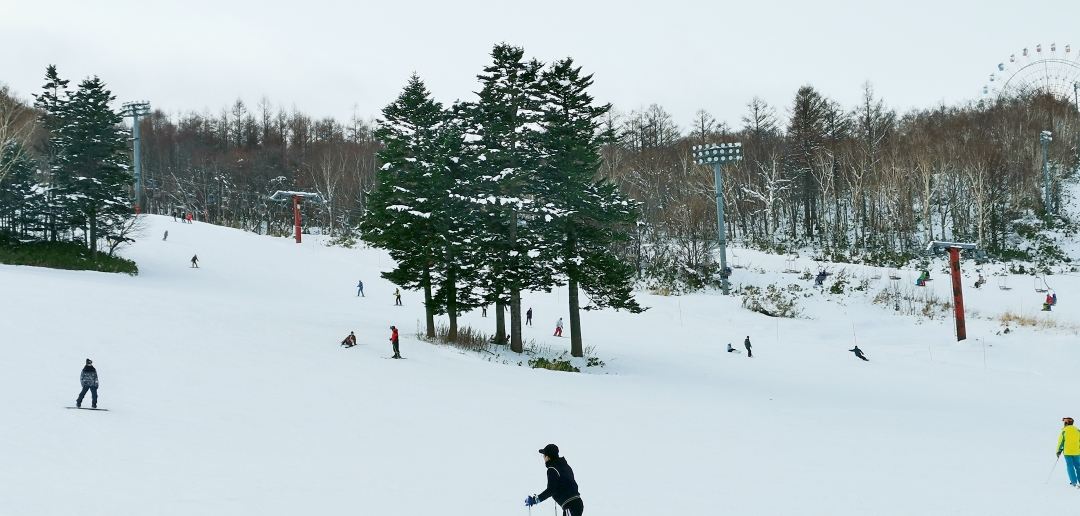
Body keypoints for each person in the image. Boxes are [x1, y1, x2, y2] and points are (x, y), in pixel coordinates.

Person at [525, 444, 583, 516]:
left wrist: (535, 500)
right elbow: (565, 483)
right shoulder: (564, 466)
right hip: (576, 503)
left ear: (548, 457)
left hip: (570, 505)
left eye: (544, 456)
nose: (543, 458)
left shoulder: (552, 469)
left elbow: (550, 490)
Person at [1058, 417, 1080, 486]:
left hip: (1068, 452)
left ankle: (1073, 482)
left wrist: (1058, 451)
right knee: (1078, 466)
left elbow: (1060, 442)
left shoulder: (1064, 430)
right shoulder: (1077, 430)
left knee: (1070, 466)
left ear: (1066, 423)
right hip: (1077, 451)